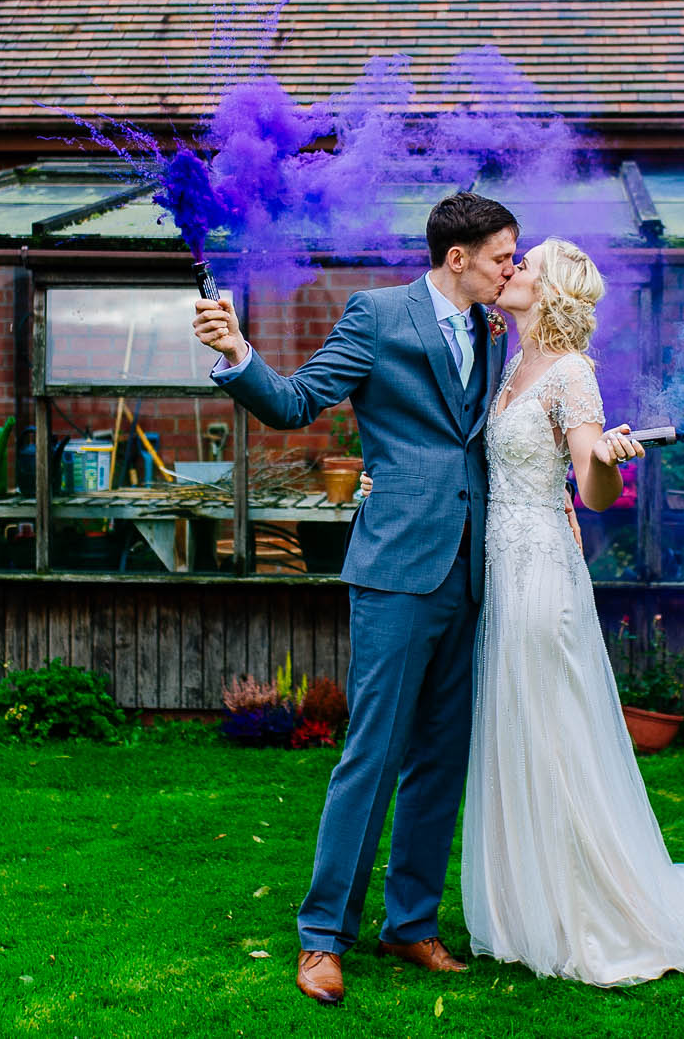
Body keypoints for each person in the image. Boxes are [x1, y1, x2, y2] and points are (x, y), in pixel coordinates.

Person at [192, 191, 518, 1006]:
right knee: (372, 754)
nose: (512, 268)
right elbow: (298, 401)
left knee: (442, 757)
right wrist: (238, 353)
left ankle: (410, 922)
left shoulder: (489, 324)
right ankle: (320, 937)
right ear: (458, 257)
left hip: (470, 569)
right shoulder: (376, 316)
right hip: (396, 568)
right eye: (502, 256)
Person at [460, 236, 684, 986]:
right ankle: (530, 906)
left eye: (526, 265)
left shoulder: (574, 374)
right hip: (502, 567)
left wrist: (605, 459)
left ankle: (589, 912)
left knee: (554, 736)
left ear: (551, 291)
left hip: (542, 570)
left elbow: (592, 490)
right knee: (515, 728)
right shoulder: (512, 360)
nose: (512, 270)